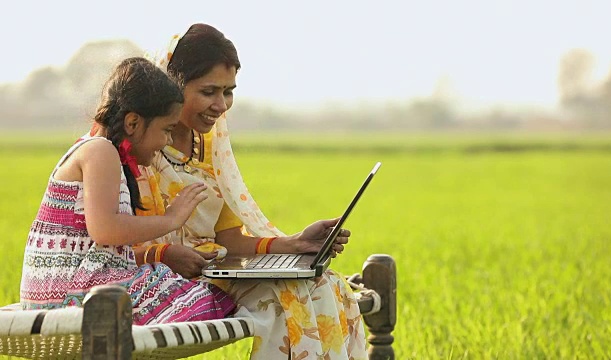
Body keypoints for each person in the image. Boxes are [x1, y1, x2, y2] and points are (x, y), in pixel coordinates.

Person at [134, 24, 368, 359]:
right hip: (162, 279)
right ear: (172, 83)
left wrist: (296, 242)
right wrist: (164, 255)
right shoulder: (139, 145)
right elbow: (111, 240)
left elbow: (228, 239)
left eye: (228, 91)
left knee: (324, 283)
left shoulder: (212, 147)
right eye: (208, 91)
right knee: (280, 301)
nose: (221, 105)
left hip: (214, 270)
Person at [19, 57, 236, 326]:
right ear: (133, 123)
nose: (168, 140)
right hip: (70, 298)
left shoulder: (107, 155)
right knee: (207, 301)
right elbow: (105, 229)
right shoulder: (100, 150)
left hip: (80, 290)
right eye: (166, 130)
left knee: (188, 290)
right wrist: (171, 219)